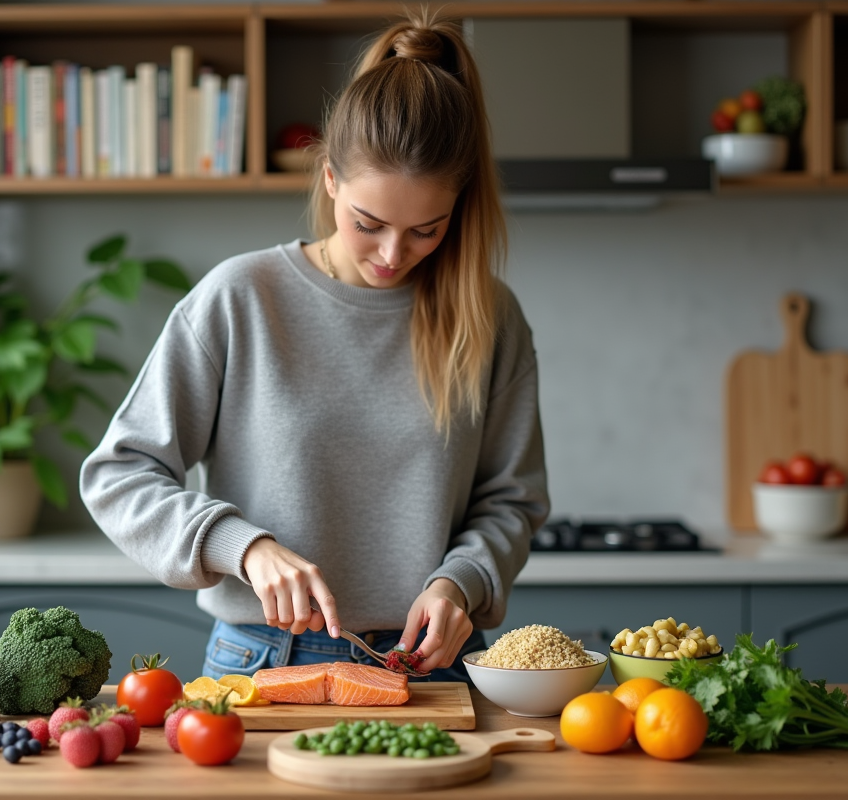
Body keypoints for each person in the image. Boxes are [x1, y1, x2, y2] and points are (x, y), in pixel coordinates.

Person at [79, 9, 549, 684]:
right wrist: (243, 547)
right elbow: (117, 474)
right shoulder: (240, 298)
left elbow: (512, 501)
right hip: (260, 659)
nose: (393, 254)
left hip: (427, 671)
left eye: (426, 229)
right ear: (330, 178)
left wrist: (462, 583)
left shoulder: (492, 318)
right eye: (370, 223)